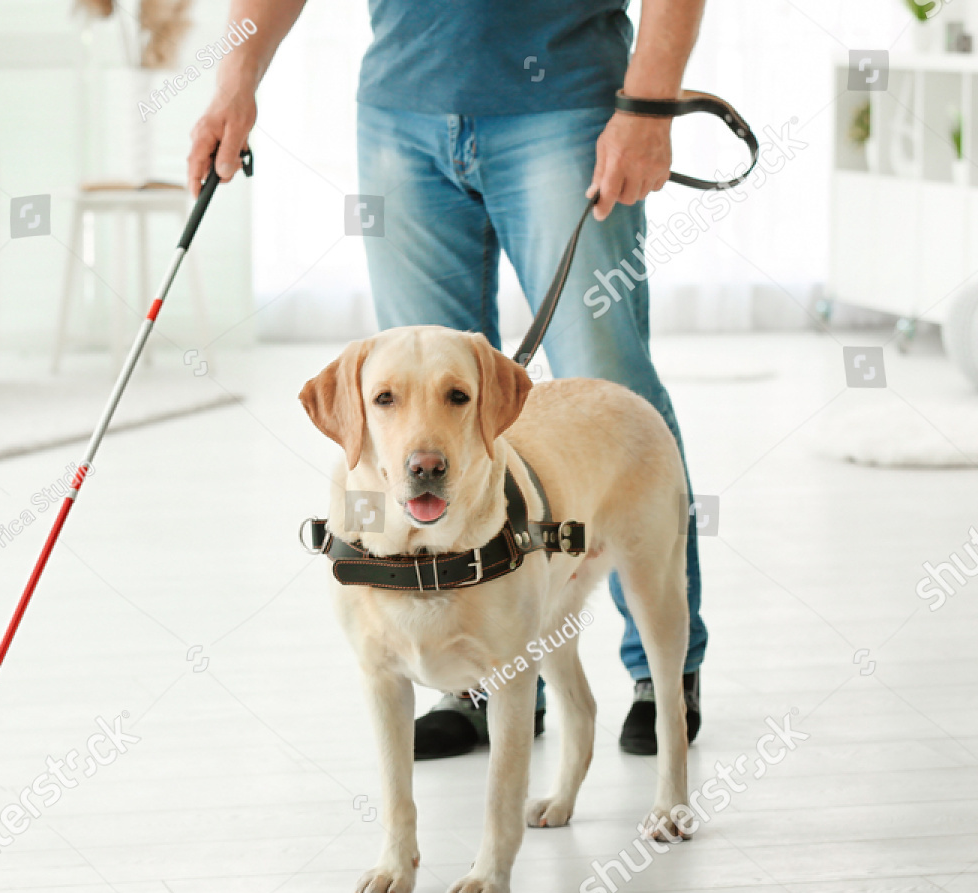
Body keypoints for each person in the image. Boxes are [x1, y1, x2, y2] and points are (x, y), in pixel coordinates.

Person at [187, 0, 708, 760]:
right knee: (423, 418)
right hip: (404, 107)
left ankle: (661, 669)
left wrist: (651, 100)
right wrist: (236, 74)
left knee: (607, 383)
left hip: (569, 105)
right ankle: (476, 674)